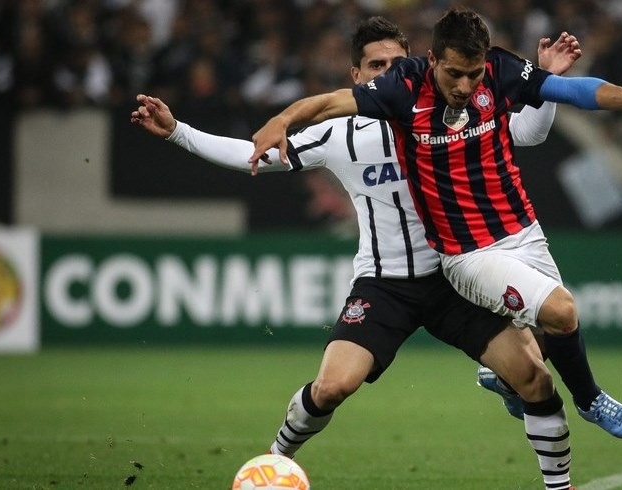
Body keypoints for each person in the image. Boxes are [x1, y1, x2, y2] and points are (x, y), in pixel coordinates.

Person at [133, 17, 581, 490]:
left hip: (455, 275)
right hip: (386, 284)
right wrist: (177, 132)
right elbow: (255, 154)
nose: (384, 71)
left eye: (394, 62)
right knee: (331, 387)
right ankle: (274, 464)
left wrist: (549, 83)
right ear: (357, 76)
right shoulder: (341, 135)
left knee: (535, 377)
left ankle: (560, 486)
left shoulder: (456, 112)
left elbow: (528, 132)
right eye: (374, 65)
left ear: (415, 65)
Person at [251, 6, 622, 444]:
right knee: (563, 309)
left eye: (473, 75)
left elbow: (568, 92)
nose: (465, 86)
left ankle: (512, 386)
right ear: (434, 60)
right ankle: (590, 399)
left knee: (549, 338)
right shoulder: (403, 87)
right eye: (455, 73)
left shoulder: (499, 71)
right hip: (467, 253)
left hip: (521, 232)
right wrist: (282, 120)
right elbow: (330, 102)